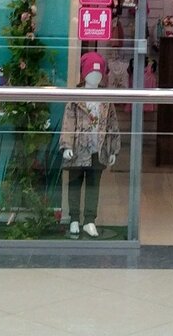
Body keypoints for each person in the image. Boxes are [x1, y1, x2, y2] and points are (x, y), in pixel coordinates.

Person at [60, 51, 121, 238]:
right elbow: (68, 122)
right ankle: (74, 219)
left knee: (93, 186)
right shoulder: (75, 97)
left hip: (98, 150)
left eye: (98, 73)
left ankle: (89, 220)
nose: (95, 77)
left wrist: (113, 149)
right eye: (91, 73)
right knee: (74, 184)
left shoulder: (106, 100)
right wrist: (67, 145)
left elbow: (112, 124)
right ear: (84, 74)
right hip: (77, 149)